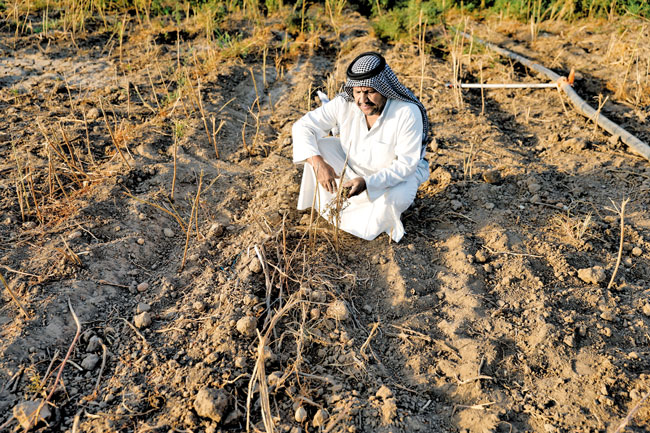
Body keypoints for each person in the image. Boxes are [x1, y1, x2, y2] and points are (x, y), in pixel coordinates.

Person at [292, 51, 430, 242]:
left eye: (369, 92)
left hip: (392, 177)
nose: (362, 100)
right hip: (352, 165)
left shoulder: (406, 112)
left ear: (384, 89)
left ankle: (372, 225)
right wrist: (318, 163)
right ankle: (331, 211)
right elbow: (303, 126)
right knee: (319, 148)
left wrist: (367, 182)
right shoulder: (345, 103)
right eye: (358, 92)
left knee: (397, 197)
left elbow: (406, 166)